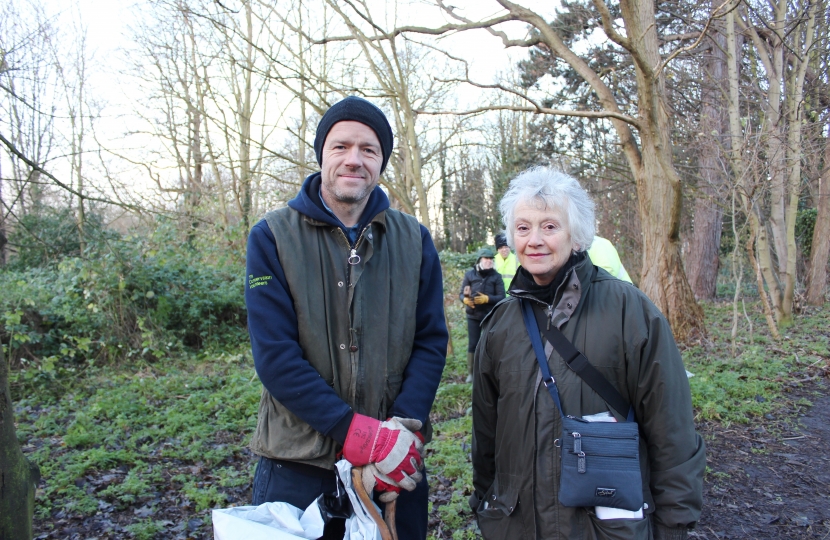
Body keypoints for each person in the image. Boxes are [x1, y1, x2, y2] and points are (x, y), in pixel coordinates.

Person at [245, 96, 448, 540]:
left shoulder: (415, 240)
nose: (353, 159)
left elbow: (432, 341)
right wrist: (354, 433)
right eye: (340, 147)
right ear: (321, 155)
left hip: (394, 466)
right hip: (297, 465)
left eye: (368, 149)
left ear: (381, 163)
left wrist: (399, 432)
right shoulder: (271, 237)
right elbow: (276, 356)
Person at [470, 167, 705, 539]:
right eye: (523, 227)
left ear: (576, 237)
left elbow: (671, 429)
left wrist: (673, 523)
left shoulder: (631, 311)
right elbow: (486, 432)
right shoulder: (500, 324)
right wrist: (487, 506)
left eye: (550, 226)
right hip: (517, 524)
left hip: (604, 526)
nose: (535, 240)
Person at [459, 248, 505, 383]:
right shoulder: (470, 275)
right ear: (480, 260)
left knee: (490, 344)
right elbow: (462, 293)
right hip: (473, 315)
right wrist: (465, 300)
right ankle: (471, 373)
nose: (489, 261)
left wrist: (487, 299)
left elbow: (501, 297)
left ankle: (490, 372)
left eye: (491, 259)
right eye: (486, 259)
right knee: (473, 344)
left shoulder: (496, 277)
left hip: (490, 316)